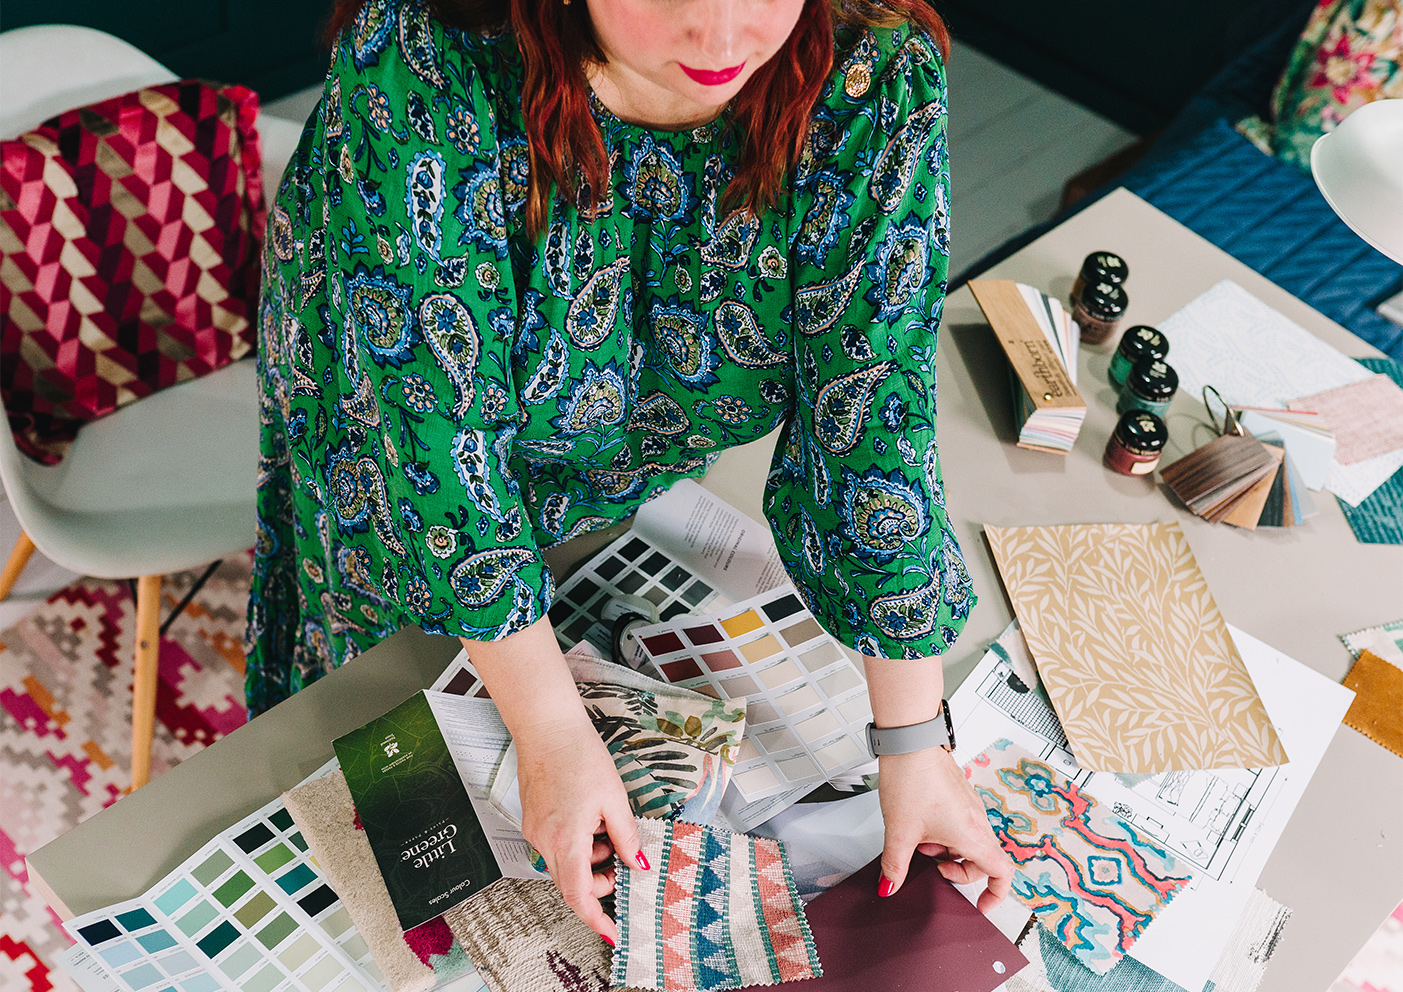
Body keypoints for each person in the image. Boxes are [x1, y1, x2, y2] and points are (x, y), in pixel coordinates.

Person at [247, 0, 1015, 944]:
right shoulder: (427, 49)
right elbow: (430, 441)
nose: (725, 41)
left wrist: (912, 744)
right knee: (374, 712)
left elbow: (873, 409)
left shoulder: (874, 71)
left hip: (620, 456)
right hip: (393, 433)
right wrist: (552, 737)